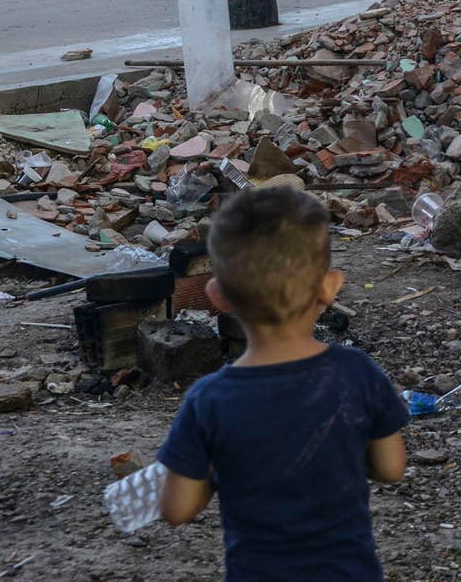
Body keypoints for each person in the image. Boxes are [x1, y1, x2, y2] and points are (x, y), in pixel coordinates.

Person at [159, 187, 409, 580]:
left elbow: (177, 509)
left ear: (216, 296)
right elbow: (391, 468)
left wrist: (217, 471)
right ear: (329, 287)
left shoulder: (208, 400)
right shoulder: (356, 373)